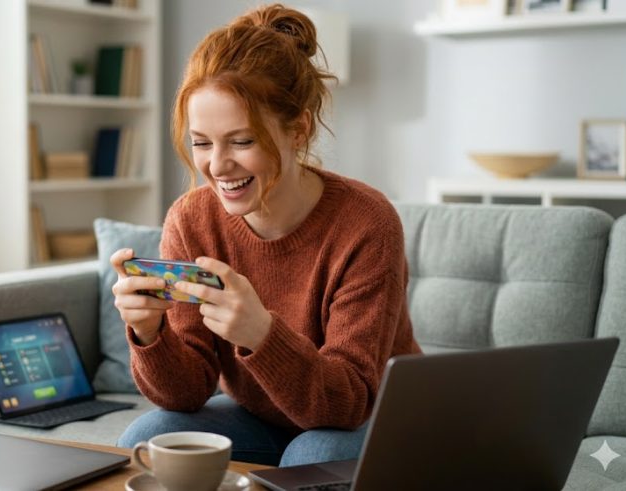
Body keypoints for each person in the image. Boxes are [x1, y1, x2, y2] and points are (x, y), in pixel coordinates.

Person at [110, 3, 421, 467]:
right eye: (201, 142)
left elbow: (349, 401)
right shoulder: (192, 219)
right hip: (262, 417)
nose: (217, 166)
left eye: (242, 141)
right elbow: (186, 394)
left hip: (367, 419)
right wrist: (149, 332)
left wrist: (260, 332)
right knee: (148, 436)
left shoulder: (366, 223)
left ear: (298, 130)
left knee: (312, 454)